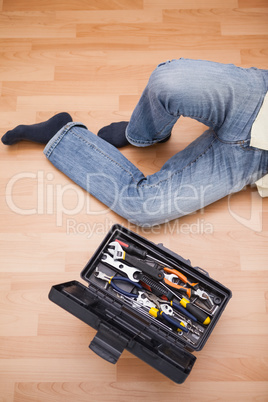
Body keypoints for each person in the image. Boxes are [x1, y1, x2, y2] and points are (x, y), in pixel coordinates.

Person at [2, 58, 268, 226]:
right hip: (259, 96)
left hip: (256, 160)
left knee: (142, 208)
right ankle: (142, 134)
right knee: (168, 83)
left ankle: (63, 135)